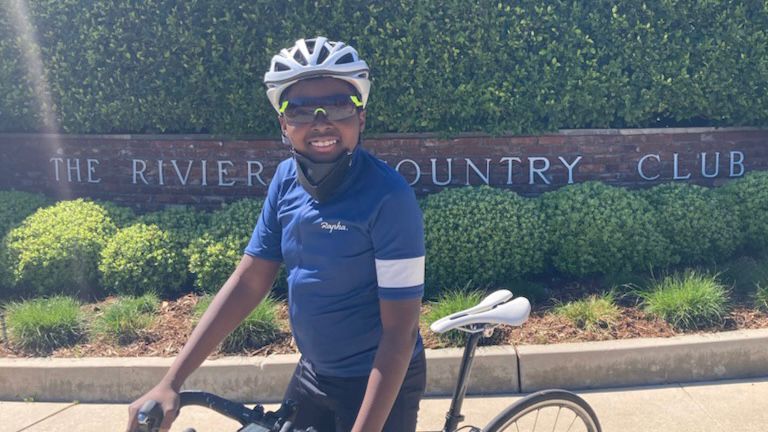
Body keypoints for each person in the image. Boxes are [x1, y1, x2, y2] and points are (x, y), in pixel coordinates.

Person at [126, 36, 426, 432]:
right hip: (313, 374)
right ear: (283, 123)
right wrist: (170, 382)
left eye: (338, 105)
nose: (321, 121)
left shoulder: (390, 197)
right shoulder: (286, 181)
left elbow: (399, 333)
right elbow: (249, 281)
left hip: (379, 380)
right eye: (300, 110)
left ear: (361, 117)